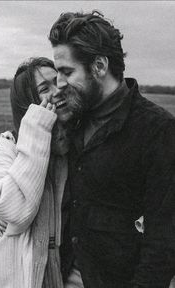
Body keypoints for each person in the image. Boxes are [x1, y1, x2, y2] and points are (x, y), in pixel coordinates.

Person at [48, 10, 175, 288]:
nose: (59, 83)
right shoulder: (72, 119)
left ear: (99, 66)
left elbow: (163, 241)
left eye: (67, 72)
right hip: (58, 276)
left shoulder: (158, 130)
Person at [0, 57, 72, 288]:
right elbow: (14, 212)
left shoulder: (78, 145)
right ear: (28, 104)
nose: (57, 90)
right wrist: (37, 128)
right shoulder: (9, 144)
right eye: (44, 88)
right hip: (15, 277)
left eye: (58, 81)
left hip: (65, 273)